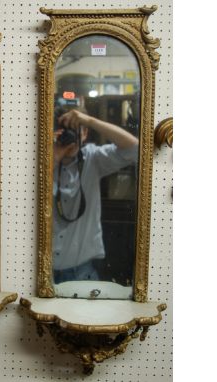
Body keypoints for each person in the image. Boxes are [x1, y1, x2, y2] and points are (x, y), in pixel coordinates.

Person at [52, 108, 139, 284]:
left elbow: (136, 149)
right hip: (42, 270)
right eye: (65, 130)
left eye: (77, 130)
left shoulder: (93, 157)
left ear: (85, 134)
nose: (71, 136)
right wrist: (54, 156)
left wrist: (89, 120)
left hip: (81, 270)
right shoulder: (39, 161)